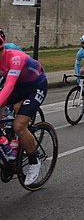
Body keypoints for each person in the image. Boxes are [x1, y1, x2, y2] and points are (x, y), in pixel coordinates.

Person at [0, 31, 48, 185]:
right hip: (19, 86)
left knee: (19, 125)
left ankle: (34, 161)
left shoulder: (15, 57)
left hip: (36, 86)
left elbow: (9, 85)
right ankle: (9, 143)